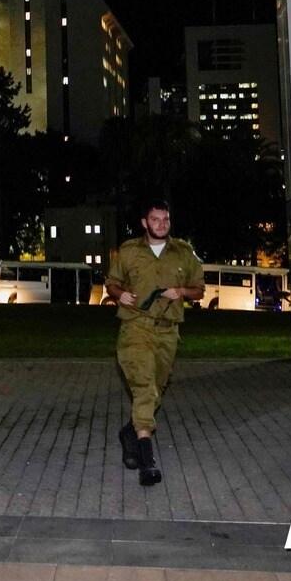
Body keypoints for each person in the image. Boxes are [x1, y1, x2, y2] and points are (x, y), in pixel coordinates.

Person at [102, 199, 204, 486]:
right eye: (155, 220)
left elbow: (199, 290)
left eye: (166, 219)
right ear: (144, 223)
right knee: (145, 389)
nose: (161, 224)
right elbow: (112, 282)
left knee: (156, 390)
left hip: (168, 331)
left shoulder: (183, 252)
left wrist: (182, 291)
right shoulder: (129, 250)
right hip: (136, 329)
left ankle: (129, 434)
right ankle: (148, 462)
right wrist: (118, 294)